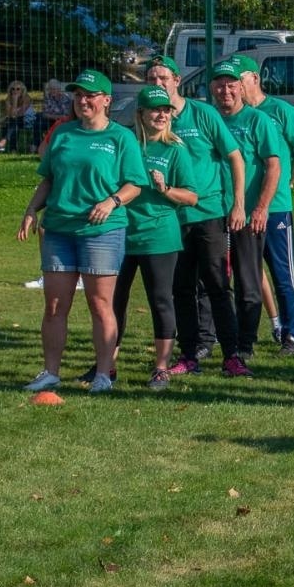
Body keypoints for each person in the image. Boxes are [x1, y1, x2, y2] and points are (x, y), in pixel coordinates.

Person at [17, 69, 147, 393]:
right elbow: (49, 179)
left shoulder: (121, 137)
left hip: (101, 231)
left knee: (100, 303)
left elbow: (136, 184)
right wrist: (32, 209)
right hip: (59, 229)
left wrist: (112, 201)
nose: (83, 100)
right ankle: (50, 372)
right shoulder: (62, 133)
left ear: (106, 100)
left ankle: (104, 374)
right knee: (55, 305)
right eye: (78, 95)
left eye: (90, 95)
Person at [145, 55, 248, 377]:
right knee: (181, 290)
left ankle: (232, 356)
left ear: (178, 80)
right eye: (152, 79)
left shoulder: (202, 114)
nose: (159, 84)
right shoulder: (152, 120)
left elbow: (235, 158)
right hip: (169, 219)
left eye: (164, 78)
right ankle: (189, 355)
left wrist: (238, 203)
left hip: (208, 213)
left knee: (217, 285)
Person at [104, 85, 198, 390]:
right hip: (121, 232)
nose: (162, 115)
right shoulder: (126, 144)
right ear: (140, 114)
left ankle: (161, 367)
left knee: (160, 300)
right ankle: (108, 365)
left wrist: (166, 189)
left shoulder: (175, 150)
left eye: (166, 110)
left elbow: (192, 197)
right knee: (113, 300)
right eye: (155, 110)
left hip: (160, 237)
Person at [209, 57, 286, 372]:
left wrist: (261, 208)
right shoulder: (209, 118)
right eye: (219, 85)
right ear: (212, 88)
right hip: (213, 212)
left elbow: (274, 165)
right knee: (211, 280)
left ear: (241, 87)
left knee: (248, 280)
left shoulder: (258, 121)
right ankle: (209, 339)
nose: (225, 90)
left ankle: (245, 342)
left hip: (248, 213)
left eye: (231, 85)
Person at [236, 54, 294, 356]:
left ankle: (290, 337)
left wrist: (288, 182)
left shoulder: (280, 111)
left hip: (276, 208)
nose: (234, 87)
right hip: (241, 209)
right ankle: (246, 338)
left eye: (238, 80)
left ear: (254, 78)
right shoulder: (233, 115)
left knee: (283, 274)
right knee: (247, 276)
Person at [0, 82, 40, 154]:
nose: (15, 91)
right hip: (16, 121)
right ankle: (13, 150)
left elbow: (19, 114)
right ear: (10, 90)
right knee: (13, 125)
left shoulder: (27, 98)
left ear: (22, 90)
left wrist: (15, 101)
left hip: (28, 120)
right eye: (13, 89)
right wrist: (14, 100)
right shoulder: (8, 100)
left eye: (18, 89)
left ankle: (4, 141)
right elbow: (12, 115)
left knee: (12, 122)